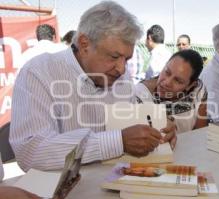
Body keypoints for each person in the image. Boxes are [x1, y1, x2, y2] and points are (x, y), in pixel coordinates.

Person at [10, 1, 176, 172]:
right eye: (114, 56)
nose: (121, 69)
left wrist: (159, 128)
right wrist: (117, 142)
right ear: (84, 44)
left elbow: (132, 125)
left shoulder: (121, 77)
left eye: (126, 59)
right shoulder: (39, 72)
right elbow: (31, 152)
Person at [135, 49, 207, 133]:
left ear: (191, 85)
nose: (166, 83)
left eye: (178, 81)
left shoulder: (198, 91)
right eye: (167, 72)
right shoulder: (140, 95)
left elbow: (200, 134)